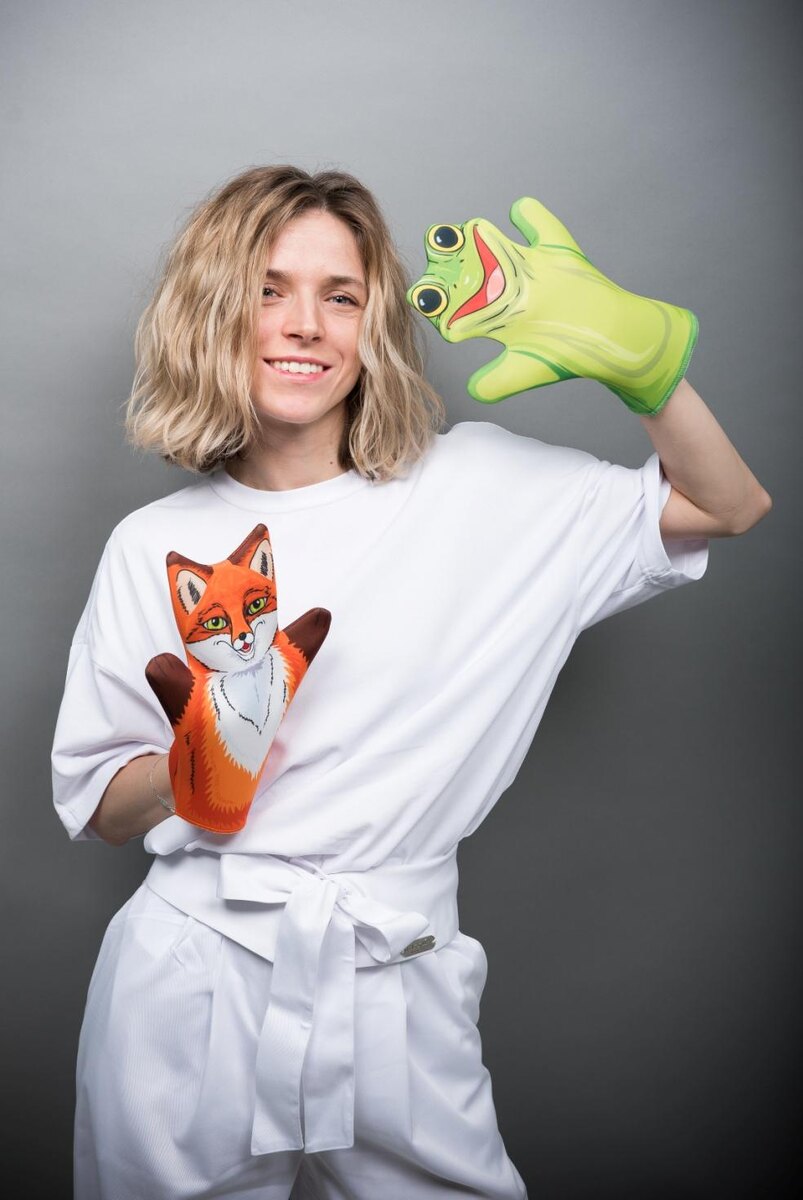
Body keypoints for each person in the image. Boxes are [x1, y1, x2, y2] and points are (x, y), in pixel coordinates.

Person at [51, 164, 771, 1200]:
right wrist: (191, 768)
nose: (305, 325)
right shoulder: (151, 545)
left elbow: (726, 506)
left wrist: (644, 368)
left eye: (340, 296)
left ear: (373, 325)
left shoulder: (480, 487)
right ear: (211, 313)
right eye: (266, 290)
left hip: (397, 964)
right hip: (191, 970)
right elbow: (103, 805)